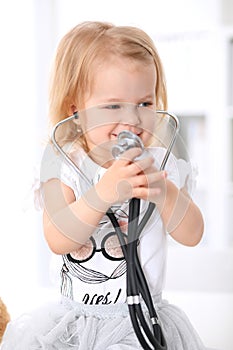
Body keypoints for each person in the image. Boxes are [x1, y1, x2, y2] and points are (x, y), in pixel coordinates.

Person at [1, 21, 207, 349]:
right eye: (113, 106)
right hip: (74, 321)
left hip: (139, 320)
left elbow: (193, 234)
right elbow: (58, 239)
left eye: (144, 103)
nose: (133, 119)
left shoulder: (158, 161)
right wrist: (102, 194)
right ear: (75, 111)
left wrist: (165, 193)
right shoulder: (64, 163)